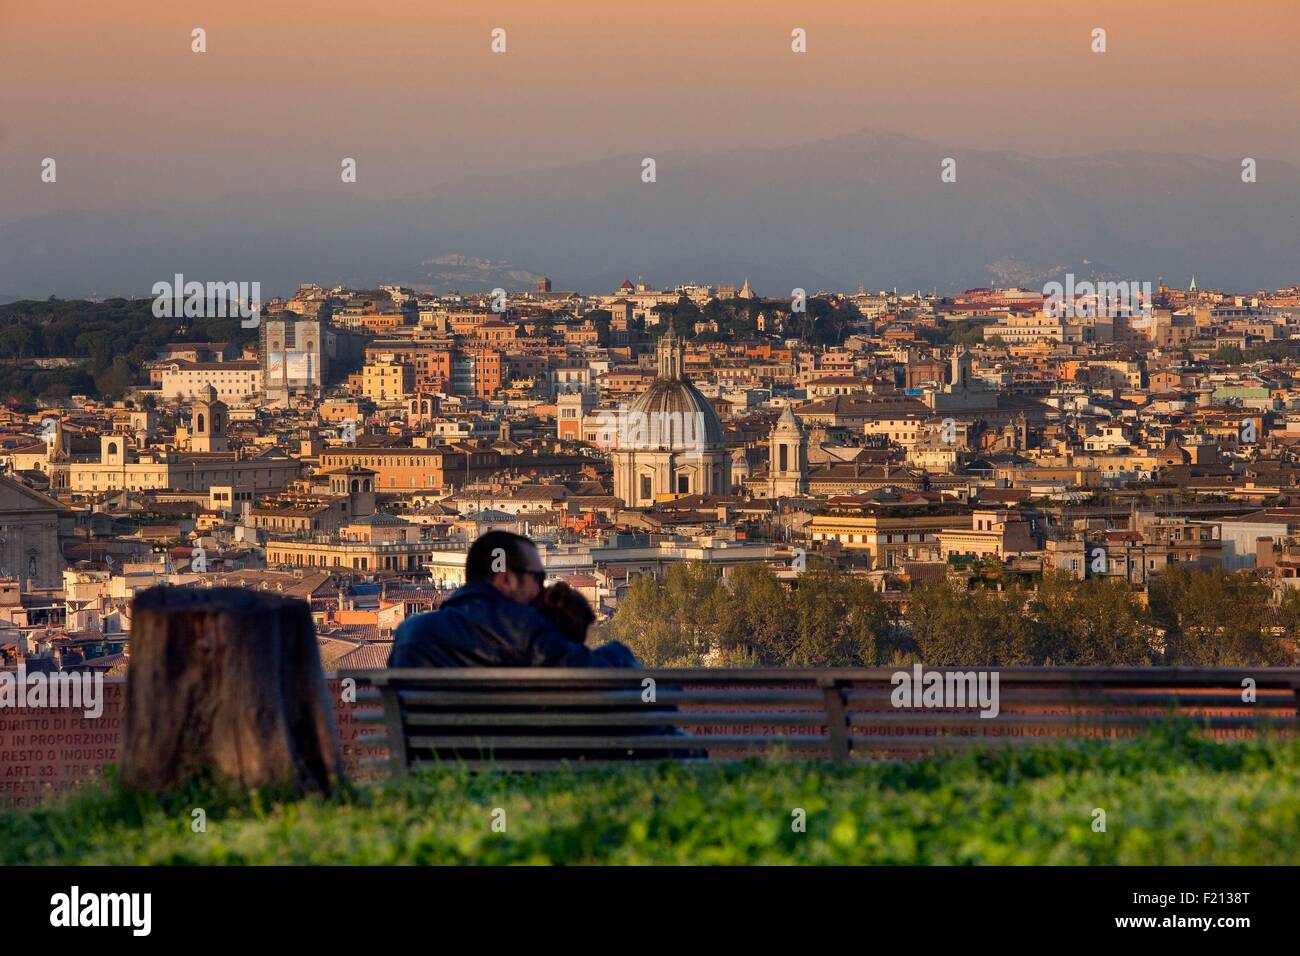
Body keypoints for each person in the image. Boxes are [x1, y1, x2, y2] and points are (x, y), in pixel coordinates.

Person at [388, 530, 635, 668]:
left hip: (431, 759)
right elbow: (595, 676)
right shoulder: (525, 628)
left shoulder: (411, 632)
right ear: (506, 579)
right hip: (505, 759)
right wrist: (618, 652)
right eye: (538, 578)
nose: (541, 590)